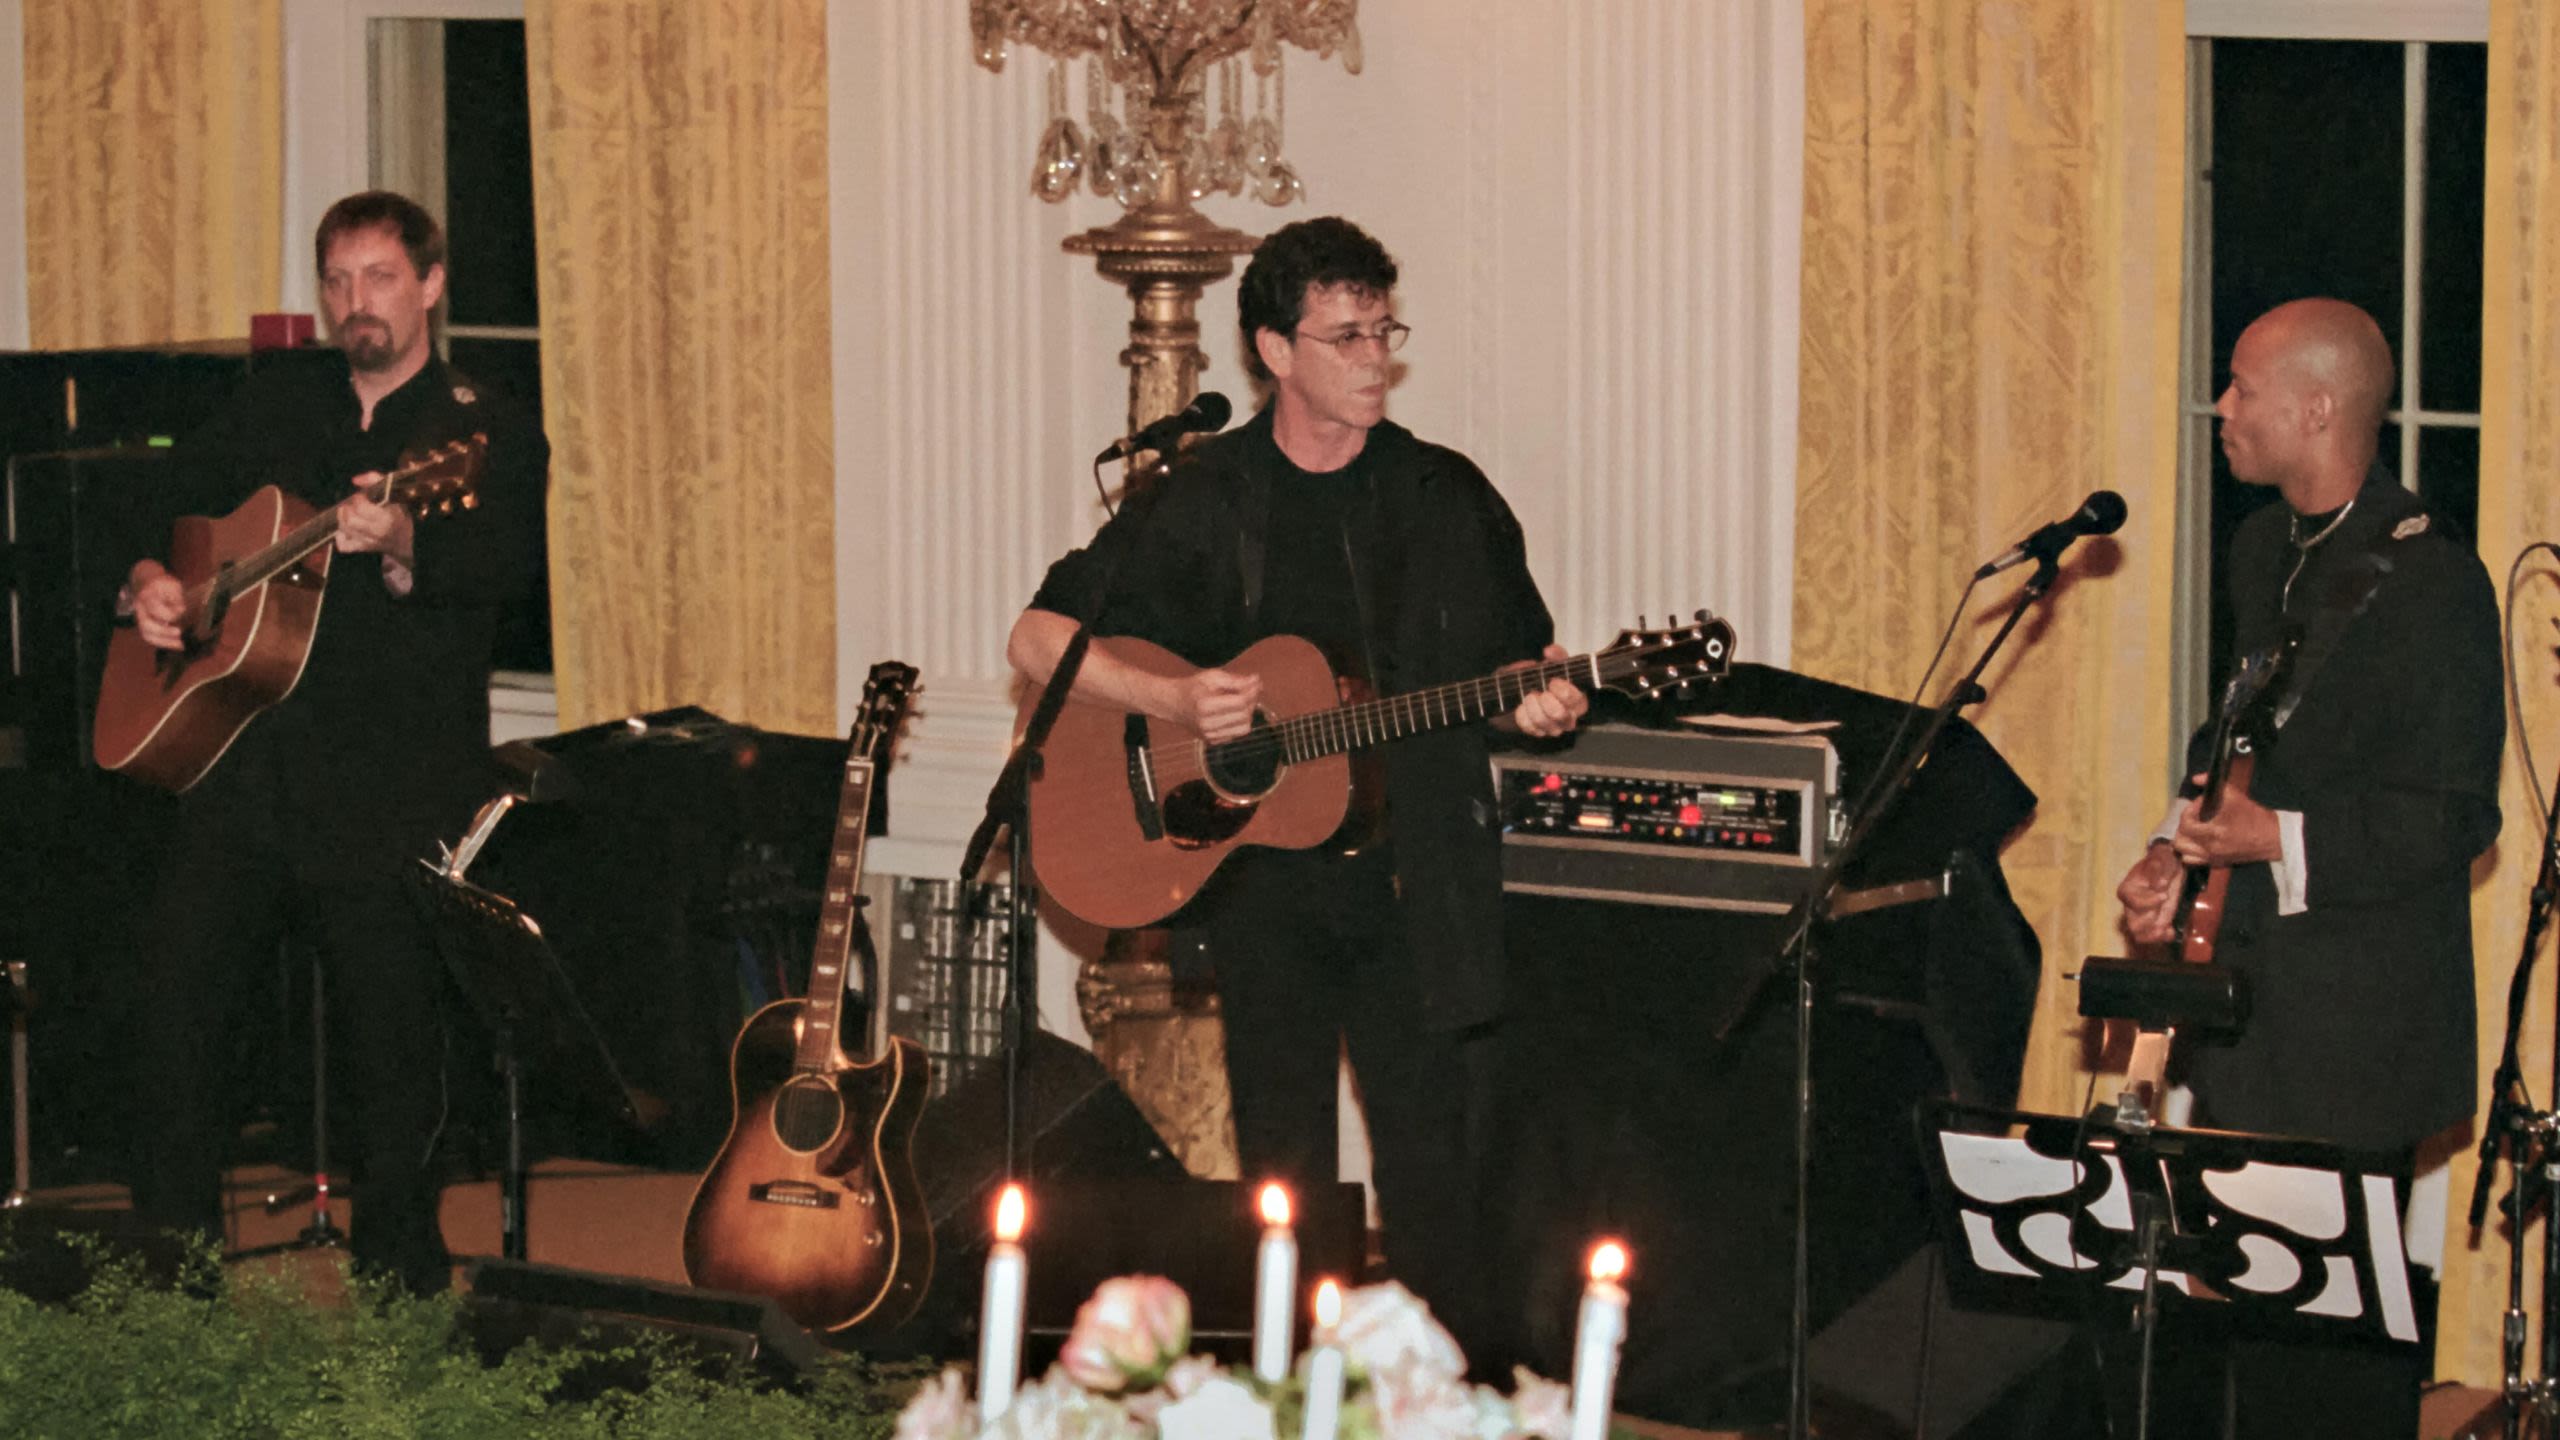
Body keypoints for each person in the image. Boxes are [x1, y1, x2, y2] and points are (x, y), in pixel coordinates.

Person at [1007, 217, 1585, 1362]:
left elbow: (1519, 667)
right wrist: (1175, 701)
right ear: (1275, 351)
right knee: (1283, 1182)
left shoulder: (1442, 495)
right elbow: (1038, 639)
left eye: (1383, 332)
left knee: (1433, 1180)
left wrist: (1539, 701)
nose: (1374, 359)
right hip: (1264, 892)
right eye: (1345, 336)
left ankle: (1450, 1401)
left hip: (1417, 885)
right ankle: (1289, 1392)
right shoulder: (1206, 494)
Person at [121, 191, 550, 1292]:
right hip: (244, 762)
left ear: (431, 285)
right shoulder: (280, 396)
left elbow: (507, 569)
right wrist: (156, 582)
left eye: (381, 278)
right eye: (339, 280)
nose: (358, 301)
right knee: (175, 1011)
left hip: (389, 778)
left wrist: (405, 539)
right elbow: (167, 496)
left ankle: (399, 1281)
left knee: (390, 1048)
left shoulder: (484, 427)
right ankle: (171, 1281)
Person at [2109, 297, 2501, 1436]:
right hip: (2249, 1007)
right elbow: (2236, 740)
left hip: (2359, 1031)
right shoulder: (2261, 547)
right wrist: (2173, 850)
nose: (2222, 406)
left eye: (2243, 385)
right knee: (2242, 1348)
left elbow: (2453, 817)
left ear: (2318, 408)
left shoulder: (2434, 580)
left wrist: (2273, 839)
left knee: (2330, 1380)